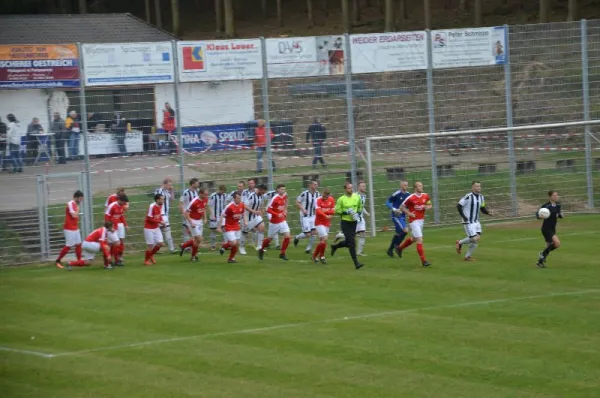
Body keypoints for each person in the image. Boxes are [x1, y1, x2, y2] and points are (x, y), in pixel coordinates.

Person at [395, 181, 432, 267]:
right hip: (413, 220)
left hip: (421, 220)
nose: (421, 187)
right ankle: (424, 261)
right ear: (415, 188)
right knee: (419, 239)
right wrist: (409, 213)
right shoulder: (411, 198)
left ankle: (399, 248)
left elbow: (430, 205)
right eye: (419, 186)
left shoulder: (425, 196)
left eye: (422, 186)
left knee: (415, 238)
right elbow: (402, 207)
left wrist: (427, 207)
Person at [330, 182, 364, 270]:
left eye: (351, 188)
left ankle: (335, 246)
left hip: (354, 222)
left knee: (349, 242)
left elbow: (360, 206)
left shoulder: (357, 197)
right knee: (352, 243)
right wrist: (345, 212)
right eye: (349, 188)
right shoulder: (341, 199)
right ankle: (356, 263)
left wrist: (358, 213)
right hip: (345, 222)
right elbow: (337, 210)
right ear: (345, 189)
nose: (351, 189)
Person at [456, 181, 493, 261]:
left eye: (479, 186)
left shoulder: (481, 197)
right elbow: (459, 205)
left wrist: (488, 213)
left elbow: (482, 208)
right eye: (476, 186)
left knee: (477, 238)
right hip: (468, 222)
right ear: (472, 187)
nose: (478, 188)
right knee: (474, 239)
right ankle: (460, 243)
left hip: (476, 221)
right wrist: (464, 216)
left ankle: (467, 256)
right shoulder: (468, 196)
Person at [258, 184, 291, 261]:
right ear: (278, 190)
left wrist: (285, 210)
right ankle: (261, 249)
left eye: (284, 189)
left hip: (282, 220)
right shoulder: (275, 198)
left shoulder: (285, 195)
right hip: (274, 222)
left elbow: (286, 201)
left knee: (287, 236)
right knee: (269, 239)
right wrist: (277, 214)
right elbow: (268, 209)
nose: (283, 191)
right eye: (282, 189)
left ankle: (282, 253)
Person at [54, 190, 85, 269]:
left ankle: (79, 261)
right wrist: (78, 209)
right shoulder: (71, 204)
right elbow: (74, 215)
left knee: (78, 244)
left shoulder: (76, 204)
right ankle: (58, 260)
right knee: (68, 245)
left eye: (82, 199)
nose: (81, 200)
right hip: (69, 228)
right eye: (80, 198)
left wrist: (77, 209)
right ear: (76, 197)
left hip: (75, 227)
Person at [535, 190, 563, 268]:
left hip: (553, 228)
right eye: (554, 195)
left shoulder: (558, 205)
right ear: (550, 197)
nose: (556, 197)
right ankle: (542, 255)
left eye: (557, 195)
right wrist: (539, 216)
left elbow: (558, 214)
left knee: (548, 247)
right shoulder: (546, 206)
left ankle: (540, 262)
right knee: (557, 243)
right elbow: (537, 214)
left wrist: (561, 215)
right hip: (546, 228)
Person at [180, 187, 209, 262]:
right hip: (192, 220)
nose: (206, 196)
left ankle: (184, 246)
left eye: (206, 194)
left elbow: (204, 208)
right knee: (198, 239)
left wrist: (205, 218)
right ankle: (193, 257)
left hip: (199, 221)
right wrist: (191, 222)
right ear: (200, 194)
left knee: (197, 241)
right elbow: (186, 213)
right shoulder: (194, 202)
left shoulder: (205, 199)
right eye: (205, 194)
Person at [217, 192, 246, 263]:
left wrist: (245, 221)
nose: (239, 199)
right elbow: (222, 215)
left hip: (237, 226)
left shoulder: (242, 205)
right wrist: (219, 226)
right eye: (238, 198)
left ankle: (231, 258)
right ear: (234, 199)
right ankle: (224, 246)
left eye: (240, 198)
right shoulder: (229, 207)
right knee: (234, 242)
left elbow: (243, 213)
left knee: (236, 243)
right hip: (229, 226)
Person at [293, 180, 320, 253]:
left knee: (314, 233)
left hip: (313, 216)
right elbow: (297, 202)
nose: (316, 186)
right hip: (305, 216)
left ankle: (308, 249)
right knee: (307, 234)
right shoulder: (304, 194)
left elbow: (318, 203)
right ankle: (297, 237)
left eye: (317, 184)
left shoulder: (318, 194)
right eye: (314, 184)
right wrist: (303, 209)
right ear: (310, 185)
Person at [385, 181, 411, 258]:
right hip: (396, 216)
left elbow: (409, 205)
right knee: (405, 230)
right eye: (405, 185)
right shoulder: (396, 194)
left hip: (402, 216)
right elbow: (387, 202)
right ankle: (397, 246)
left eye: (407, 185)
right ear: (401, 185)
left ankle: (390, 250)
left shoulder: (408, 195)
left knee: (398, 233)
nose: (406, 186)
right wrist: (394, 209)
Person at [312, 188, 336, 264]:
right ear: (323, 193)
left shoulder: (331, 200)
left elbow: (333, 210)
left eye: (327, 196)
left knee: (323, 241)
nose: (325, 197)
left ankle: (319, 256)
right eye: (324, 195)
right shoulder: (318, 200)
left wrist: (329, 213)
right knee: (325, 238)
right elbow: (318, 211)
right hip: (319, 222)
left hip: (326, 222)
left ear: (329, 195)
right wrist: (326, 215)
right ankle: (318, 256)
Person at [105, 193, 129, 266]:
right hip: (112, 227)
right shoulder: (112, 206)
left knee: (120, 241)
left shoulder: (122, 206)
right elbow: (106, 216)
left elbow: (121, 216)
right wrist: (109, 227)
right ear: (119, 200)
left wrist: (126, 225)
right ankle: (110, 260)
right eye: (123, 202)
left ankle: (118, 258)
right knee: (112, 243)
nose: (124, 203)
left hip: (120, 225)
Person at [155, 178, 176, 253]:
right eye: (169, 185)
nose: (170, 186)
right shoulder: (159, 191)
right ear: (164, 184)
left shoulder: (167, 191)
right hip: (161, 214)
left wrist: (172, 191)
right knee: (167, 231)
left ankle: (156, 249)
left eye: (171, 185)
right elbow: (157, 201)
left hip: (166, 214)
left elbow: (172, 199)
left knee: (159, 231)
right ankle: (172, 249)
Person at [244, 184, 268, 252]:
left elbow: (261, 206)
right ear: (259, 189)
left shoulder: (261, 196)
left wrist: (261, 212)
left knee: (262, 227)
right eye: (263, 192)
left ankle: (259, 247)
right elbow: (244, 206)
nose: (263, 193)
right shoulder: (251, 195)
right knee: (244, 233)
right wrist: (253, 211)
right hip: (247, 218)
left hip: (256, 217)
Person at [144, 193, 166, 265]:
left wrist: (162, 221)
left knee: (160, 243)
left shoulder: (161, 206)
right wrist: (160, 222)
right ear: (157, 200)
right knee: (150, 246)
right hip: (149, 228)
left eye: (163, 199)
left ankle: (150, 255)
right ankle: (146, 260)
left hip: (156, 227)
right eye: (162, 199)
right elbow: (150, 219)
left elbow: (159, 216)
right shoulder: (152, 206)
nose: (163, 200)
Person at [179, 178, 199, 244]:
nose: (198, 184)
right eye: (197, 183)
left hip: (195, 215)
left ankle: (190, 245)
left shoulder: (197, 191)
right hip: (187, 214)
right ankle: (187, 245)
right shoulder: (185, 192)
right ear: (193, 184)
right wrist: (183, 213)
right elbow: (181, 203)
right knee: (188, 230)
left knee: (193, 230)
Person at [208, 184, 227, 250]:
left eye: (223, 192)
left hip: (222, 216)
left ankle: (225, 244)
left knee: (224, 229)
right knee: (213, 231)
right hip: (214, 216)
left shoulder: (225, 196)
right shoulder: (213, 196)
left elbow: (225, 205)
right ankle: (212, 245)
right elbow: (209, 206)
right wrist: (212, 215)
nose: (223, 193)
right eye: (222, 191)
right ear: (220, 189)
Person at [355, 181, 370, 256]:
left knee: (363, 234)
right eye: (362, 186)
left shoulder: (364, 196)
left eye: (365, 186)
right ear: (359, 187)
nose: (364, 187)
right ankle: (340, 235)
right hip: (354, 218)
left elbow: (362, 206)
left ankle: (359, 252)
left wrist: (366, 212)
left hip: (361, 218)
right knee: (351, 235)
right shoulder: (355, 196)